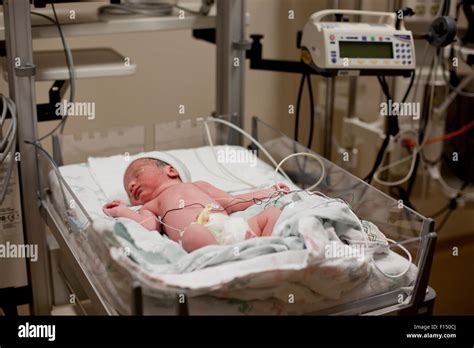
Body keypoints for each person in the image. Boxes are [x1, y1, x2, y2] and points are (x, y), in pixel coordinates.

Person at [103, 158, 289, 252]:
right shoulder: (151, 205)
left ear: (171, 170)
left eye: (137, 174)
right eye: (129, 191)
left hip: (232, 229)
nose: (131, 185)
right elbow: (149, 226)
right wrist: (123, 211)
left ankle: (265, 247)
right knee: (192, 233)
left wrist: (268, 191)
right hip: (201, 237)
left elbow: (233, 202)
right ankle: (228, 258)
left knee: (272, 213)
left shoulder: (199, 186)